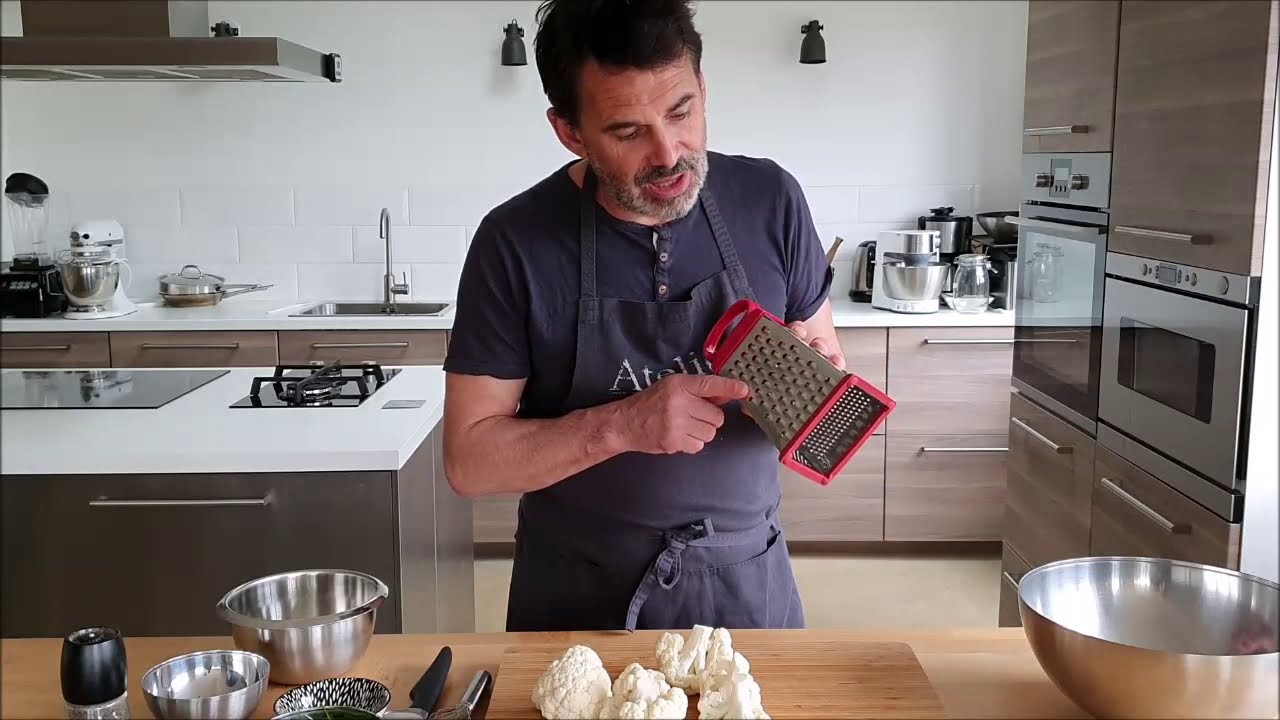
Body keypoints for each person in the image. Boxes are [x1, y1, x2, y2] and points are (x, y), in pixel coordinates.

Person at [442, 0, 843, 632]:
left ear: (703, 87)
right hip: (576, 597)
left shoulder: (772, 201)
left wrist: (810, 379)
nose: (668, 154)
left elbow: (819, 342)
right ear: (570, 131)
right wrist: (624, 424)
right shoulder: (515, 242)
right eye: (627, 131)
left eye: (682, 111)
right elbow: (468, 461)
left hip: (747, 589)